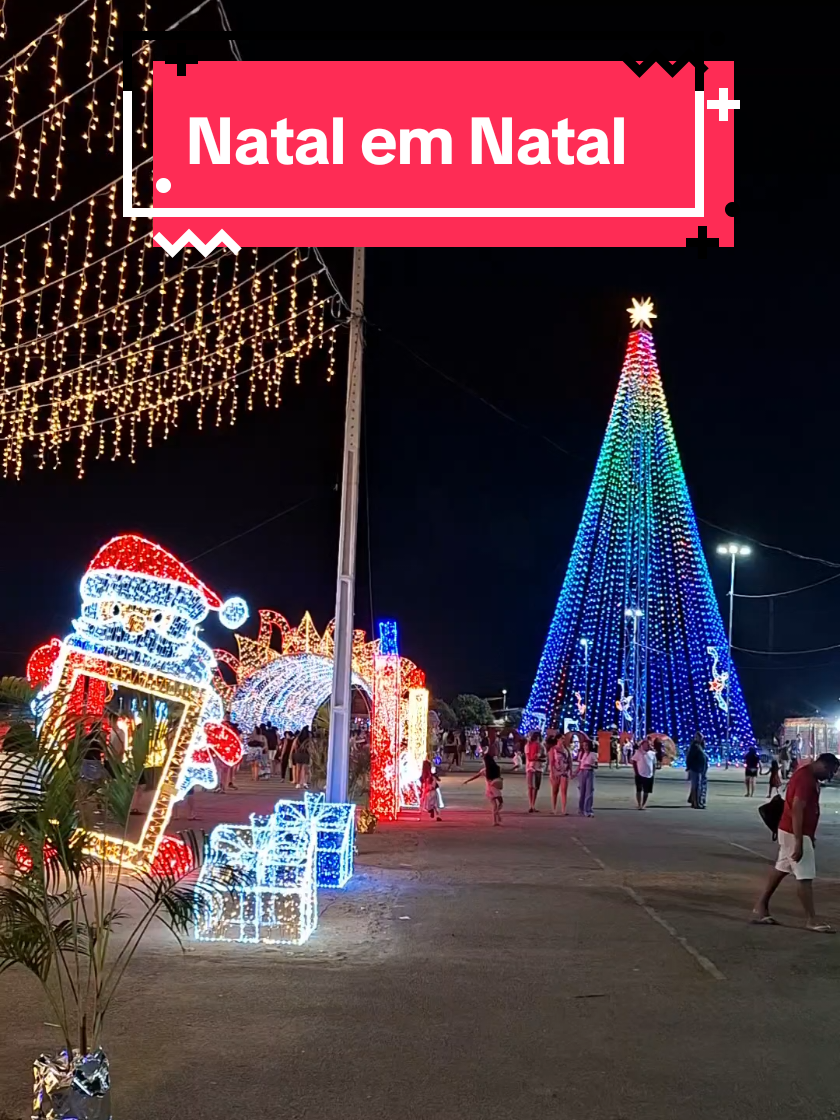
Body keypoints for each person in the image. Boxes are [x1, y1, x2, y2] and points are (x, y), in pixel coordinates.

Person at [752, 752, 840, 932]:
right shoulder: (805, 779)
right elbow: (797, 810)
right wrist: (800, 841)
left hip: (791, 831)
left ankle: (760, 907)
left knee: (782, 869)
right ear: (823, 765)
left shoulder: (808, 775)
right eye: (831, 772)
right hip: (794, 832)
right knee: (805, 877)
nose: (830, 777)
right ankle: (811, 920)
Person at [464, 750, 504, 825]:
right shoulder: (497, 768)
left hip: (489, 789)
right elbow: (499, 777)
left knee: (494, 805)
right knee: (500, 803)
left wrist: (467, 781)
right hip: (495, 787)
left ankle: (495, 821)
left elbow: (476, 776)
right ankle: (497, 812)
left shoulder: (484, 771)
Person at [548, 734, 573, 815]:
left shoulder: (566, 749)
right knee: (555, 791)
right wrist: (551, 773)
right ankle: (554, 808)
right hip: (556, 771)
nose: (563, 740)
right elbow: (551, 762)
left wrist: (571, 771)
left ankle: (563, 809)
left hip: (565, 772)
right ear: (558, 739)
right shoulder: (553, 749)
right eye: (562, 738)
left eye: (564, 738)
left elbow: (570, 761)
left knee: (564, 791)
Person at [632, 738, 657, 810]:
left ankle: (643, 804)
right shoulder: (638, 752)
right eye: (646, 744)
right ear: (642, 745)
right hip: (640, 774)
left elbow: (654, 764)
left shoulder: (652, 753)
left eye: (649, 744)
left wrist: (653, 773)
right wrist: (636, 772)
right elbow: (634, 762)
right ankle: (639, 804)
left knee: (646, 791)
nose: (648, 746)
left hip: (649, 775)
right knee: (639, 790)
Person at [576, 737, 598, 817]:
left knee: (589, 791)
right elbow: (579, 766)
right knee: (582, 791)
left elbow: (596, 766)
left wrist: (590, 765)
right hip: (582, 772)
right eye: (583, 745)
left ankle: (588, 809)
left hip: (589, 772)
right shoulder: (581, 754)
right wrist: (575, 773)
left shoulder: (593, 754)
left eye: (586, 745)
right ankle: (581, 809)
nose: (585, 747)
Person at [685, 732, 708, 809]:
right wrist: (688, 767)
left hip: (701, 769)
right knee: (696, 787)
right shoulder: (694, 746)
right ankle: (696, 803)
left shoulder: (700, 746)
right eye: (699, 737)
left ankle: (695, 801)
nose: (701, 739)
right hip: (696, 769)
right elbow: (689, 757)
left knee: (698, 786)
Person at [525, 730, 545, 813]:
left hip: (538, 768)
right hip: (531, 767)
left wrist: (540, 758)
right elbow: (527, 757)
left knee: (535, 787)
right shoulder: (528, 745)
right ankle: (531, 805)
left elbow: (545, 757)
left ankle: (533, 804)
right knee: (531, 787)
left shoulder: (542, 746)